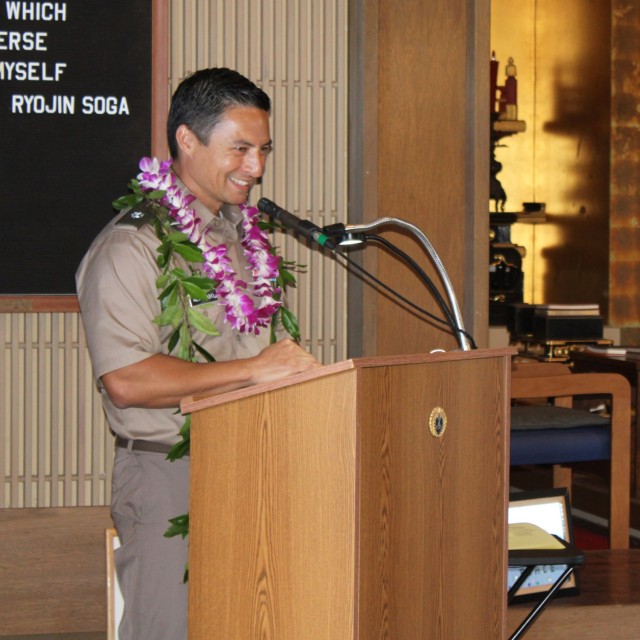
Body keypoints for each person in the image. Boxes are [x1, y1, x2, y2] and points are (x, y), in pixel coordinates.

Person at [76, 68, 320, 640]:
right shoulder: (130, 245)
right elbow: (127, 380)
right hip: (170, 473)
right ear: (187, 140)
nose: (255, 168)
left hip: (253, 462)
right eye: (239, 149)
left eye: (263, 150)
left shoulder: (243, 235)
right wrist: (259, 369)